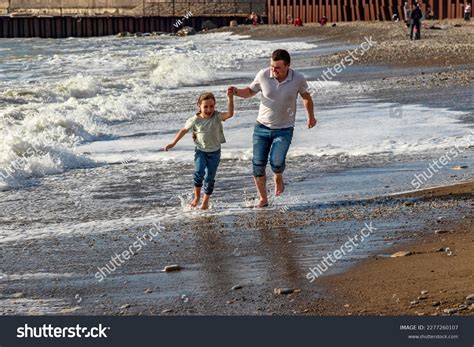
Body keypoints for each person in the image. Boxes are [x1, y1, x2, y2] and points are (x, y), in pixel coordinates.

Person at [228, 49, 317, 208]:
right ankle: (263, 199)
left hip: (284, 129)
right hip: (261, 128)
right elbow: (250, 92)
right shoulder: (263, 75)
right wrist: (235, 92)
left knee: (276, 162)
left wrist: (311, 116)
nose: (273, 70)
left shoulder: (298, 79)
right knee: (258, 164)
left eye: (277, 68)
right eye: (271, 66)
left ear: (287, 66)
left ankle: (278, 177)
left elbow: (306, 98)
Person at [164, 91, 234, 210]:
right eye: (205, 106)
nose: (209, 109)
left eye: (211, 106)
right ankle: (196, 197)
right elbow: (183, 131)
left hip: (215, 152)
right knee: (199, 173)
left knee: (209, 178)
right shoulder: (195, 120)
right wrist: (173, 143)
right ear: (199, 106)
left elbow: (230, 114)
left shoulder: (217, 116)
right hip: (201, 151)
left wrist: (230, 98)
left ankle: (205, 201)